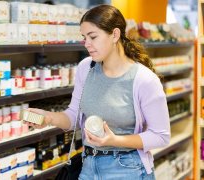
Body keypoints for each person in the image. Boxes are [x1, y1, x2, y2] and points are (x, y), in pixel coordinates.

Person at [26, 4, 170, 179]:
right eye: (84, 37)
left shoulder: (144, 80)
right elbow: (73, 117)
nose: (87, 44)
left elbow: (160, 136)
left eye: (93, 37)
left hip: (127, 168)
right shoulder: (86, 68)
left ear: (115, 35)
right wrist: (48, 118)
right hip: (88, 165)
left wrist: (114, 140)